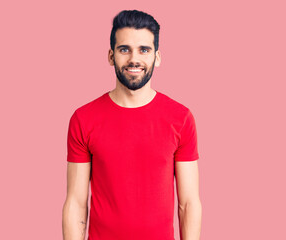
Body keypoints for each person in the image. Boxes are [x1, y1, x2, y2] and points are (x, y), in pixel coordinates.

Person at [62, 10, 201, 240]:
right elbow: (76, 203)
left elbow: (188, 204)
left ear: (156, 57)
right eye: (124, 49)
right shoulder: (83, 118)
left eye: (144, 50)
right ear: (110, 56)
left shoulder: (181, 118)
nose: (134, 59)